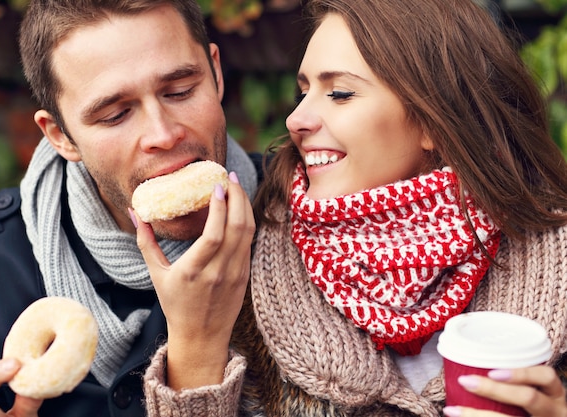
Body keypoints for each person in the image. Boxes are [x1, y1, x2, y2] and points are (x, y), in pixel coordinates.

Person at [135, 0, 567, 415]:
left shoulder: (551, 259)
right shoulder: (237, 270)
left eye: (340, 93)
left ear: (435, 122)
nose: (296, 119)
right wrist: (195, 344)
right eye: (303, 91)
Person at [0, 0, 261, 416]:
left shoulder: (315, 217)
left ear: (216, 73)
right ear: (61, 136)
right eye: (114, 115)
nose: (162, 134)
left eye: (180, 91)